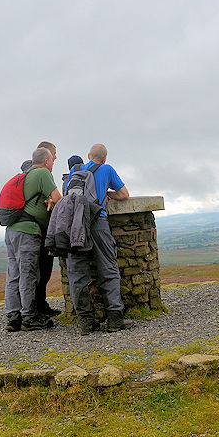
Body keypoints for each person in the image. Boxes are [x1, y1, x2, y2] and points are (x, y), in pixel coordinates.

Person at [64, 143, 132, 335]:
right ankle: (114, 320)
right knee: (109, 269)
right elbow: (125, 195)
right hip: (98, 222)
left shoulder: (74, 171)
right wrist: (107, 193)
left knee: (77, 275)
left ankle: (85, 322)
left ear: (88, 156)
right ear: (104, 158)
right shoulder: (106, 169)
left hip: (75, 227)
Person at [4, 147, 63, 332]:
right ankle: (29, 317)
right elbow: (60, 201)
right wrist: (53, 202)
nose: (53, 163)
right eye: (52, 160)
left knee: (14, 274)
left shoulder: (25, 175)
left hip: (12, 230)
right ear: (46, 161)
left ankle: (13, 317)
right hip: (28, 232)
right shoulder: (43, 173)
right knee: (29, 274)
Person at [19, 142, 60, 319]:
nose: (56, 158)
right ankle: (34, 310)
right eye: (54, 154)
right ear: (47, 157)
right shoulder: (41, 172)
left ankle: (37, 306)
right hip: (36, 229)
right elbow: (58, 198)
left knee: (40, 269)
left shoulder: (31, 172)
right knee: (39, 269)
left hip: (34, 228)